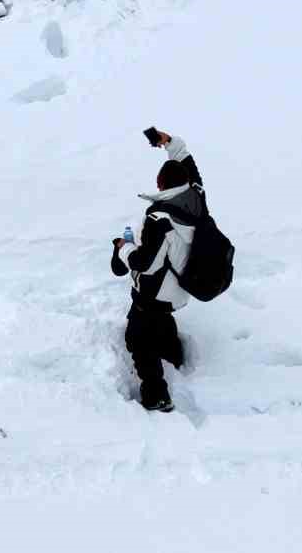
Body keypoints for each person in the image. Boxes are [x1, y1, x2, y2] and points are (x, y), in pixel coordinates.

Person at [111, 128, 203, 412]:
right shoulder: (196, 200)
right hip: (179, 288)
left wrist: (122, 248)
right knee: (162, 325)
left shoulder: (159, 217)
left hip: (153, 293)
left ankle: (156, 394)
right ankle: (175, 356)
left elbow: (145, 265)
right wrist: (170, 143)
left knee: (138, 340)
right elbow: (189, 165)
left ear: (160, 185)